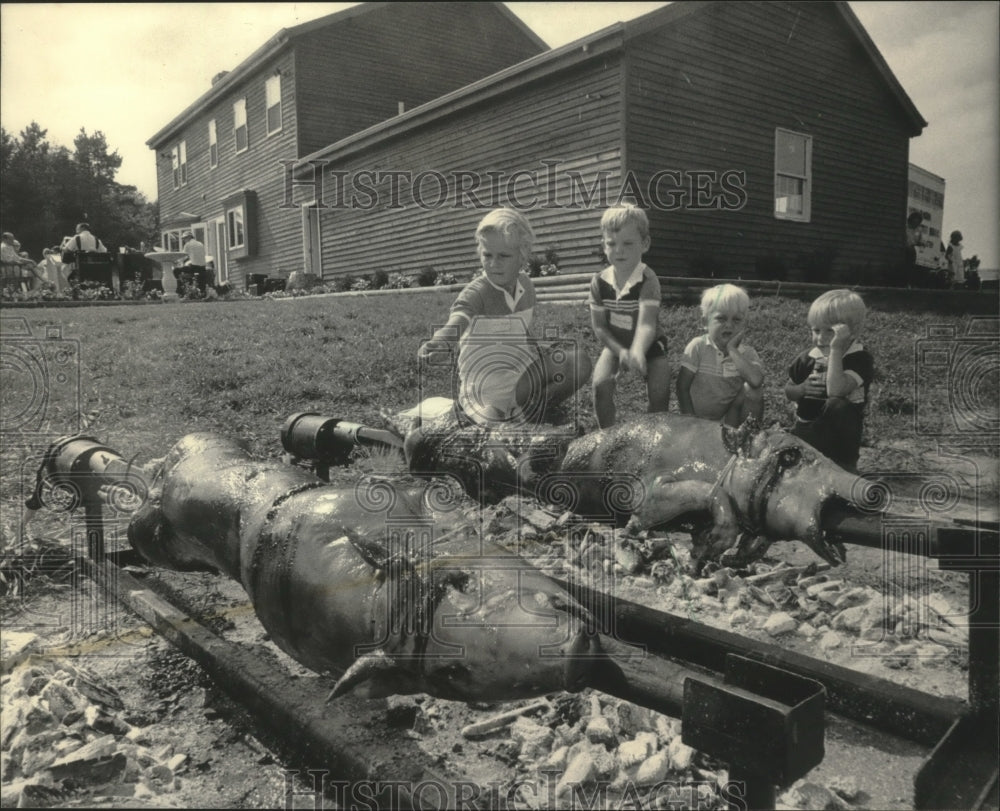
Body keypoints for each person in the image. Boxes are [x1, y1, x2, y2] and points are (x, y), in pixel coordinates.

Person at [417, 208, 591, 425]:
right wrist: (441, 341)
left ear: (523, 256)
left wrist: (538, 349)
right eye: (487, 255)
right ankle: (486, 419)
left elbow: (520, 329)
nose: (493, 263)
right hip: (486, 386)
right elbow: (457, 322)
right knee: (491, 422)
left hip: (522, 375)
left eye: (503, 256)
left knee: (579, 361)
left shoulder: (526, 286)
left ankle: (532, 411)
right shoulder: (476, 292)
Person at [588, 204, 670, 428]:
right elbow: (601, 328)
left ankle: (653, 433)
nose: (619, 251)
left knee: (660, 386)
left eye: (628, 243)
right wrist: (621, 351)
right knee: (600, 384)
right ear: (603, 246)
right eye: (612, 244)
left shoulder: (648, 279)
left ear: (645, 244)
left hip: (649, 343)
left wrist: (637, 351)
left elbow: (646, 325)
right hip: (616, 343)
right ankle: (607, 434)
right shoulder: (599, 282)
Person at [784, 290, 874, 473]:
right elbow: (788, 389)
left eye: (830, 331)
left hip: (841, 435)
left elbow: (836, 390)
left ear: (853, 331)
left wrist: (835, 351)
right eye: (816, 330)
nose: (821, 338)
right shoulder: (807, 358)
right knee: (794, 464)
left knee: (837, 404)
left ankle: (845, 466)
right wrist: (801, 389)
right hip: (808, 427)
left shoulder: (859, 358)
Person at [676, 284, 764, 427]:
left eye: (736, 320)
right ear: (705, 322)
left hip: (728, 418)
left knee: (753, 391)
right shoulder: (698, 347)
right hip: (696, 417)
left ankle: (747, 437)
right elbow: (682, 387)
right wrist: (691, 422)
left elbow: (756, 381)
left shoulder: (747, 353)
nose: (729, 325)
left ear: (745, 324)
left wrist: (732, 350)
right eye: (721, 319)